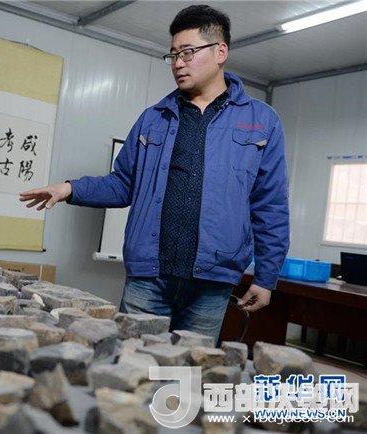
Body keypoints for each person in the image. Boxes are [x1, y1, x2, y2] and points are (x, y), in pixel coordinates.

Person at [19, 4, 290, 342]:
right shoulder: (154, 118)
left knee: (188, 366)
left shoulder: (261, 121)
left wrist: (266, 278)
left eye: (188, 52)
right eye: (173, 55)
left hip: (212, 281)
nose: (178, 63)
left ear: (220, 52)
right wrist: (70, 189)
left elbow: (270, 205)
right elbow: (123, 183)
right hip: (148, 277)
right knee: (134, 362)